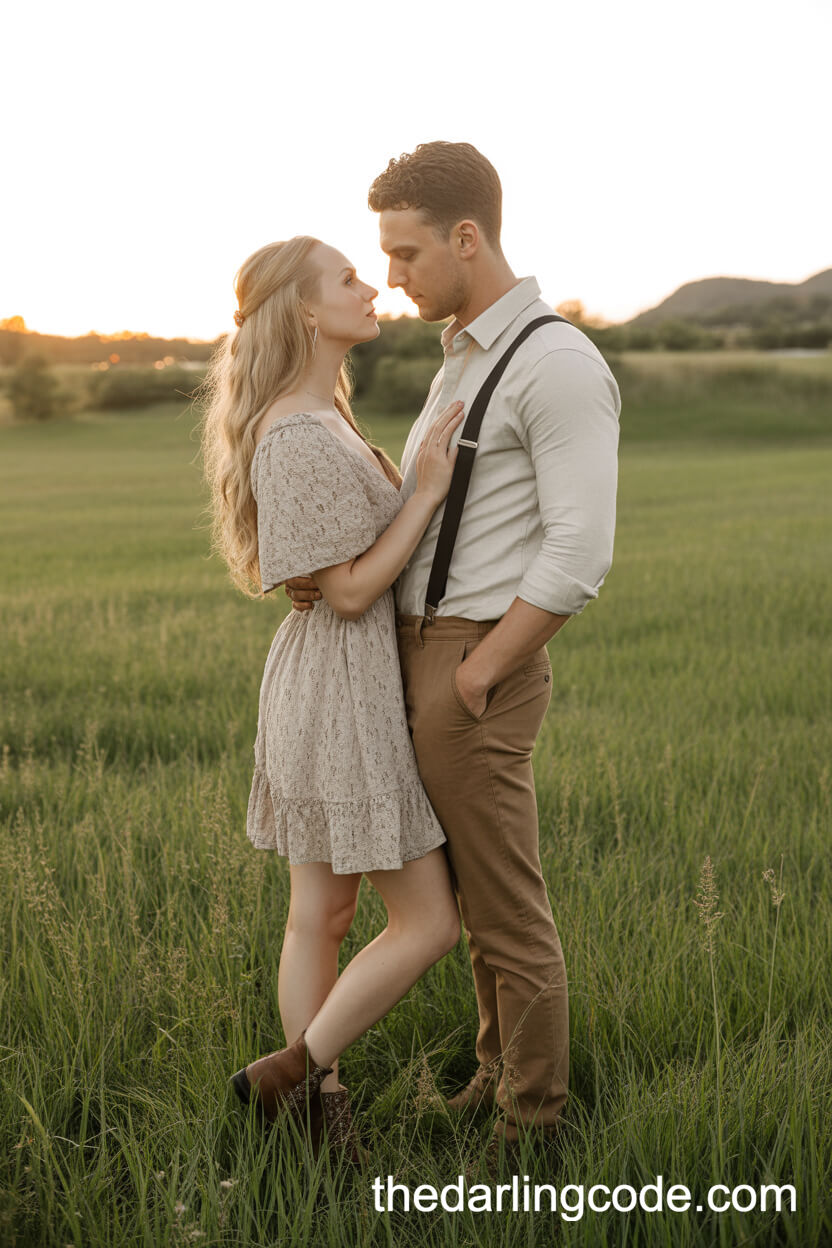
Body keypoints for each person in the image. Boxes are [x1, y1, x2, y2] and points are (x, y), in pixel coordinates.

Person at [285, 141, 621, 1153]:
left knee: (507, 910)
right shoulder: (463, 358)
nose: (389, 276)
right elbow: (431, 509)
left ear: (465, 238)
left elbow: (578, 547)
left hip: (475, 657)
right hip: (416, 651)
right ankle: (491, 1075)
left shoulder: (556, 362)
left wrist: (480, 667)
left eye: (404, 253)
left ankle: (534, 1125)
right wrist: (334, 570)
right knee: (468, 897)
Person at [200, 235, 464, 1154]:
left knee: (323, 915)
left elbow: (334, 575)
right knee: (428, 920)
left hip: (330, 677)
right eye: (349, 278)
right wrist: (425, 490)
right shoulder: (301, 433)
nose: (372, 288)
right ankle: (293, 1076)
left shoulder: (318, 414)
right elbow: (350, 591)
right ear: (308, 311)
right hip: (338, 686)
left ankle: (312, 1112)